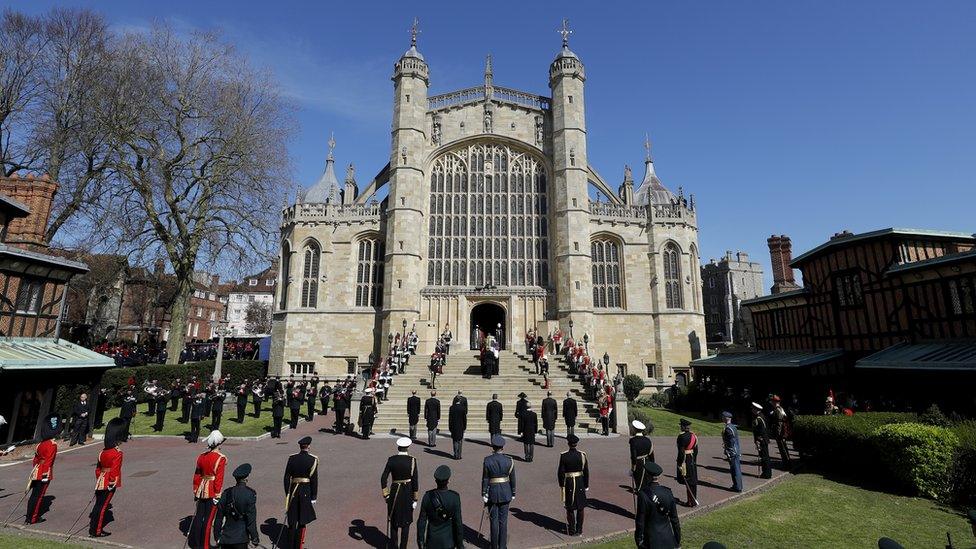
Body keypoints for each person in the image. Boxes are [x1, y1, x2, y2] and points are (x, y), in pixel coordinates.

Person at [188, 430, 227, 548]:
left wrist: (196, 490)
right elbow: (219, 479)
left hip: (201, 488)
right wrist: (217, 495)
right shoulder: (221, 458)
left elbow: (197, 475)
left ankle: (196, 543)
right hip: (211, 491)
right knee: (208, 521)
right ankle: (205, 546)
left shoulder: (201, 456)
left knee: (199, 517)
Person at [90, 418, 125, 538]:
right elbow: (115, 470)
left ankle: (93, 529)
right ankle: (97, 531)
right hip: (109, 481)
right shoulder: (117, 453)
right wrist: (112, 482)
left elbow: (98, 469)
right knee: (103, 507)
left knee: (98, 505)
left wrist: (100, 479)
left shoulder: (102, 452)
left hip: (101, 480)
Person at [381, 437, 419, 549]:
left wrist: (386, 494)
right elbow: (415, 481)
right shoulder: (412, 460)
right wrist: (415, 499)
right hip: (407, 494)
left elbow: (383, 478)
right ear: (407, 447)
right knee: (406, 524)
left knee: (393, 522)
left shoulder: (391, 459)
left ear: (398, 447)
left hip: (394, 493)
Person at [634, 461, 681, 549]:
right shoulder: (668, 492)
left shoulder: (643, 495)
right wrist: (677, 540)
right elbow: (674, 519)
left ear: (647, 475)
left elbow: (640, 521)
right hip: (668, 538)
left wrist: (638, 540)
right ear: (658, 476)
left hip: (651, 540)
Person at [283, 436, 318, 549]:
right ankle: (298, 545)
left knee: (292, 521)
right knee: (302, 520)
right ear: (308, 446)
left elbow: (286, 477)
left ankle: (290, 545)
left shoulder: (292, 458)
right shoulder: (313, 460)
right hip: (305, 492)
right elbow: (314, 480)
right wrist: (313, 496)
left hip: (293, 491)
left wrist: (288, 492)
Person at [213, 463, 259, 548]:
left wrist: (217, 536)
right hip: (241, 538)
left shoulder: (226, 493)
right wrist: (255, 538)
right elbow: (251, 520)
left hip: (225, 538)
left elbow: (219, 518)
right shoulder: (250, 494)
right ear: (246, 478)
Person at [26, 414, 62, 524]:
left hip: (36, 470)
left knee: (33, 495)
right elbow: (49, 461)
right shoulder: (52, 444)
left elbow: (35, 460)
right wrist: (46, 474)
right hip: (44, 473)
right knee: (39, 496)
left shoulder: (40, 444)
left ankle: (29, 516)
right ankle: (33, 518)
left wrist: (36, 470)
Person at [417, 465, 463, 549]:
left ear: (435, 481)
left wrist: (421, 542)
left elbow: (421, 522)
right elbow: (458, 523)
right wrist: (460, 545)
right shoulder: (454, 497)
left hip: (432, 541)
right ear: (448, 481)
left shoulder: (427, 496)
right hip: (448, 541)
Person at [482, 434, 516, 549]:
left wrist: (484, 493)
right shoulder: (509, 460)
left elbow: (485, 478)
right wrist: (513, 492)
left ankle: (494, 546)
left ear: (493, 446)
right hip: (506, 492)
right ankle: (502, 546)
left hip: (492, 492)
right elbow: (513, 478)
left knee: (494, 521)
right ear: (502, 447)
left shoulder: (487, 460)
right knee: (503, 521)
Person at [557, 434, 589, 536]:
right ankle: (579, 530)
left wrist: (562, 485)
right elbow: (586, 471)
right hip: (580, 481)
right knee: (580, 507)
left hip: (569, 482)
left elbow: (561, 472)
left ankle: (572, 530)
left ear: (568, 444)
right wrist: (586, 485)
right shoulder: (582, 455)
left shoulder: (564, 456)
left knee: (570, 507)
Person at [676, 418, 699, 507]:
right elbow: (696, 450)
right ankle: (693, 499)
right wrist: (694, 461)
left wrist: (679, 463)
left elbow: (681, 452)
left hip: (685, 460)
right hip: (692, 459)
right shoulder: (694, 436)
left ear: (683, 427)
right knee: (693, 480)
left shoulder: (681, 437)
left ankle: (690, 502)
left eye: (681, 426)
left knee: (688, 480)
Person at [629, 420, 655, 494]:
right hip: (647, 461)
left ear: (634, 429)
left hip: (639, 463)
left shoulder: (633, 441)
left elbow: (633, 456)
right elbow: (651, 454)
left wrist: (633, 468)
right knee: (646, 480)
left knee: (639, 481)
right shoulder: (648, 440)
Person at [722, 411, 743, 492]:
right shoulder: (733, 427)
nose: (722, 418)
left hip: (732, 451)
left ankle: (737, 487)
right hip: (735, 450)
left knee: (735, 469)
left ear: (726, 418)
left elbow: (731, 442)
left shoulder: (728, 429)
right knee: (735, 469)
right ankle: (737, 485)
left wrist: (728, 451)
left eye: (723, 417)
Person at [752, 402, 772, 479]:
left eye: (753, 409)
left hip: (761, 440)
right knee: (765, 457)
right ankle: (767, 473)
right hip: (764, 439)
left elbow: (760, 431)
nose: (752, 410)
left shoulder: (758, 419)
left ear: (756, 410)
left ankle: (766, 474)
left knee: (764, 457)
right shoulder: (762, 416)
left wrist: (757, 440)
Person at [770, 395, 791, 467]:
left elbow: (779, 422)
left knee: (782, 449)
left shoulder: (777, 410)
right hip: (782, 432)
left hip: (781, 433)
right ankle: (787, 462)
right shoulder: (780, 409)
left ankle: (786, 464)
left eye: (772, 401)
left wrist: (778, 433)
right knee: (784, 448)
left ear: (775, 402)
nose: (771, 403)